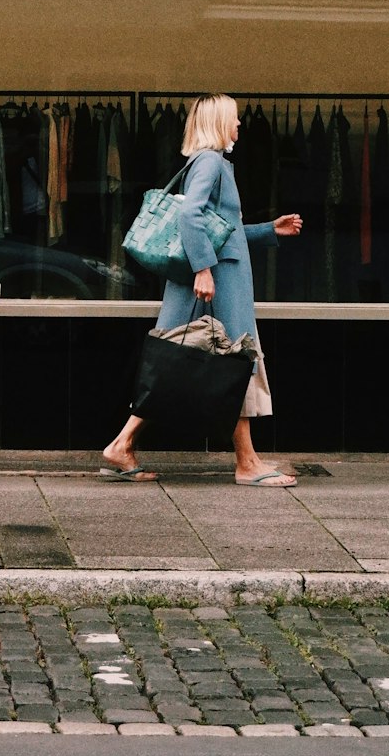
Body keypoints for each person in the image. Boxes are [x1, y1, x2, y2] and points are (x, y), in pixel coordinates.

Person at [103, 93, 303, 486]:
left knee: (177, 362)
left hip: (211, 279)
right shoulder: (211, 162)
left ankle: (122, 445)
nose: (240, 125)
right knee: (235, 359)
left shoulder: (209, 163)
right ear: (217, 122)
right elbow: (192, 218)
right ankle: (247, 463)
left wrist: (268, 230)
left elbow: (218, 230)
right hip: (217, 283)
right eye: (234, 118)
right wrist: (204, 271)